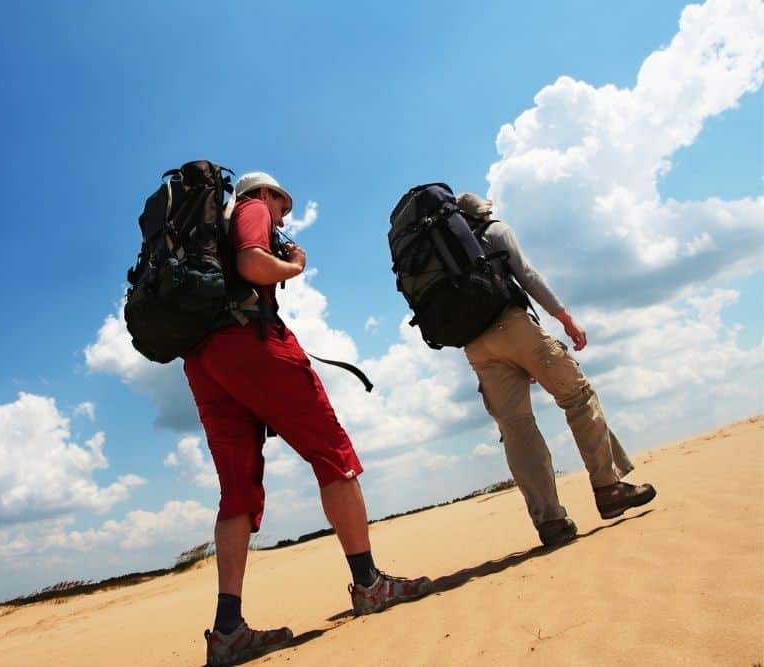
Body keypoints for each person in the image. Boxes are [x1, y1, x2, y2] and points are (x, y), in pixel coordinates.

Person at [185, 172, 433, 666]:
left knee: (236, 489)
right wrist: (293, 266)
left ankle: (228, 629)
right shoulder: (251, 208)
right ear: (266, 194)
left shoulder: (204, 236)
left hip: (203, 361)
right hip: (250, 343)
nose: (283, 217)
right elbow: (253, 263)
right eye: (284, 206)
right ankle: (369, 583)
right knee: (331, 452)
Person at [454, 192, 657, 548]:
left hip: (476, 346)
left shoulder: (447, 256)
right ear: (484, 212)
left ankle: (551, 522)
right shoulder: (494, 232)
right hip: (511, 326)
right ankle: (609, 489)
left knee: (516, 430)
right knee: (578, 397)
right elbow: (527, 275)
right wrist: (564, 317)